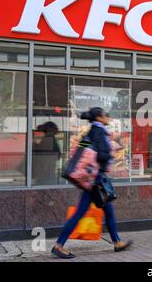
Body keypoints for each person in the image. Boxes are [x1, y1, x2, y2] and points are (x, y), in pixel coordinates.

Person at [51, 107, 132, 259]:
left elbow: (81, 151)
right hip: (95, 180)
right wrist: (110, 154)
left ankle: (117, 242)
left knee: (108, 211)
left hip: (91, 177)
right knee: (79, 214)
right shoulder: (100, 132)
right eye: (106, 115)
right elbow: (101, 155)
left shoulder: (89, 132)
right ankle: (58, 245)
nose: (108, 117)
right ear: (99, 118)